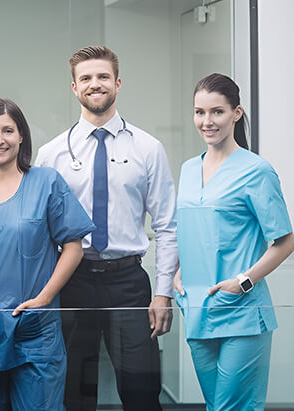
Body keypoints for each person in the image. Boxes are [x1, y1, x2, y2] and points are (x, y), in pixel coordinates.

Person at [35, 46, 179, 411]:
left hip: (128, 283)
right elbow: (38, 231)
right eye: (86, 78)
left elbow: (166, 226)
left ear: (117, 83)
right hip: (73, 281)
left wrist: (162, 294)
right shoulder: (53, 154)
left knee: (142, 392)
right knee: (75, 393)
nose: (94, 84)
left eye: (102, 77)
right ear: (74, 87)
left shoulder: (148, 148)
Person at [0, 98, 94, 410]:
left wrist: (43, 299)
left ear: (22, 136)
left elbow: (73, 247)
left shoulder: (47, 183)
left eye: (8, 130)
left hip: (35, 330)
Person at [173, 73, 294, 411]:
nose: (207, 122)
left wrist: (243, 282)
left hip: (242, 311)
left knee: (233, 409)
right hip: (197, 307)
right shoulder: (186, 169)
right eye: (199, 112)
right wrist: (180, 271)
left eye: (217, 112)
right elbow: (197, 229)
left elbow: (285, 241)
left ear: (236, 113)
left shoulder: (257, 170)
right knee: (216, 408)